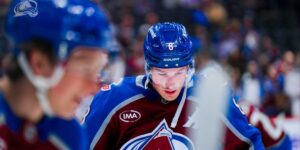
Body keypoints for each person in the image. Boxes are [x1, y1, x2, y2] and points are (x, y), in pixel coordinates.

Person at [84, 22, 264, 149]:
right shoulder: (114, 99)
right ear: (148, 68)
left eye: (179, 72)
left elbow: (249, 145)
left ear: (189, 67)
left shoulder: (209, 97)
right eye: (162, 73)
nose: (171, 83)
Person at [0, 0, 110, 149]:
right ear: (39, 63)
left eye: (98, 70)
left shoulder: (70, 136)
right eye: (86, 69)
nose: (94, 87)